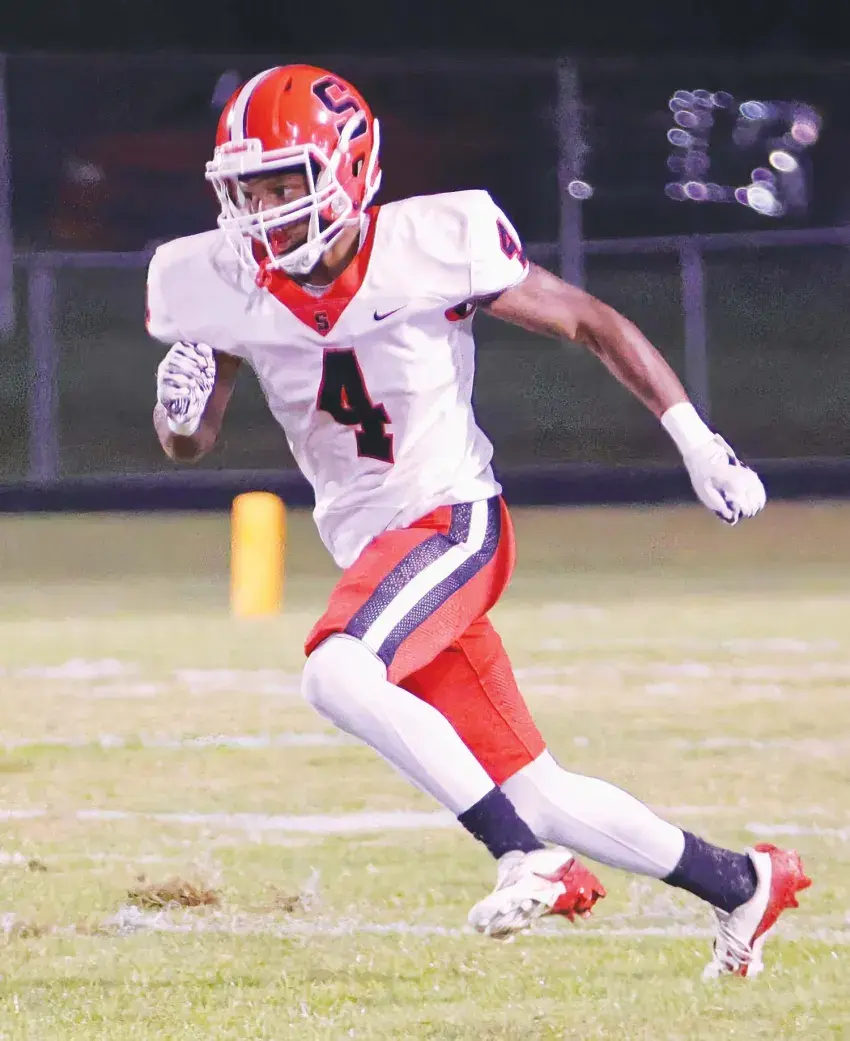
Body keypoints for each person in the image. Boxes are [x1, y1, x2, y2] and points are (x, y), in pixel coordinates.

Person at [145, 64, 810, 978]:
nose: (263, 210)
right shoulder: (220, 280)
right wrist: (177, 412)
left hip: (451, 521)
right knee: (537, 788)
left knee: (336, 672)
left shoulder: (431, 243)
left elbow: (589, 321)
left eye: (282, 183)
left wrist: (697, 440)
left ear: (347, 169)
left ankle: (525, 859)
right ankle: (741, 881)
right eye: (246, 189)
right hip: (376, 552)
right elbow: (192, 439)